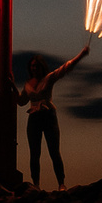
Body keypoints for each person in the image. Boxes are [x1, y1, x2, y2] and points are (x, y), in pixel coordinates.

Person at [22, 44, 90, 188]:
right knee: (34, 153)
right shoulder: (28, 84)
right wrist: (10, 84)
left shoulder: (49, 78)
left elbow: (65, 68)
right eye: (32, 66)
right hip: (34, 118)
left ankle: (61, 184)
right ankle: (36, 185)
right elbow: (21, 102)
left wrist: (82, 55)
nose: (34, 68)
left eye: (37, 66)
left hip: (48, 116)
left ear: (41, 67)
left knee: (54, 151)